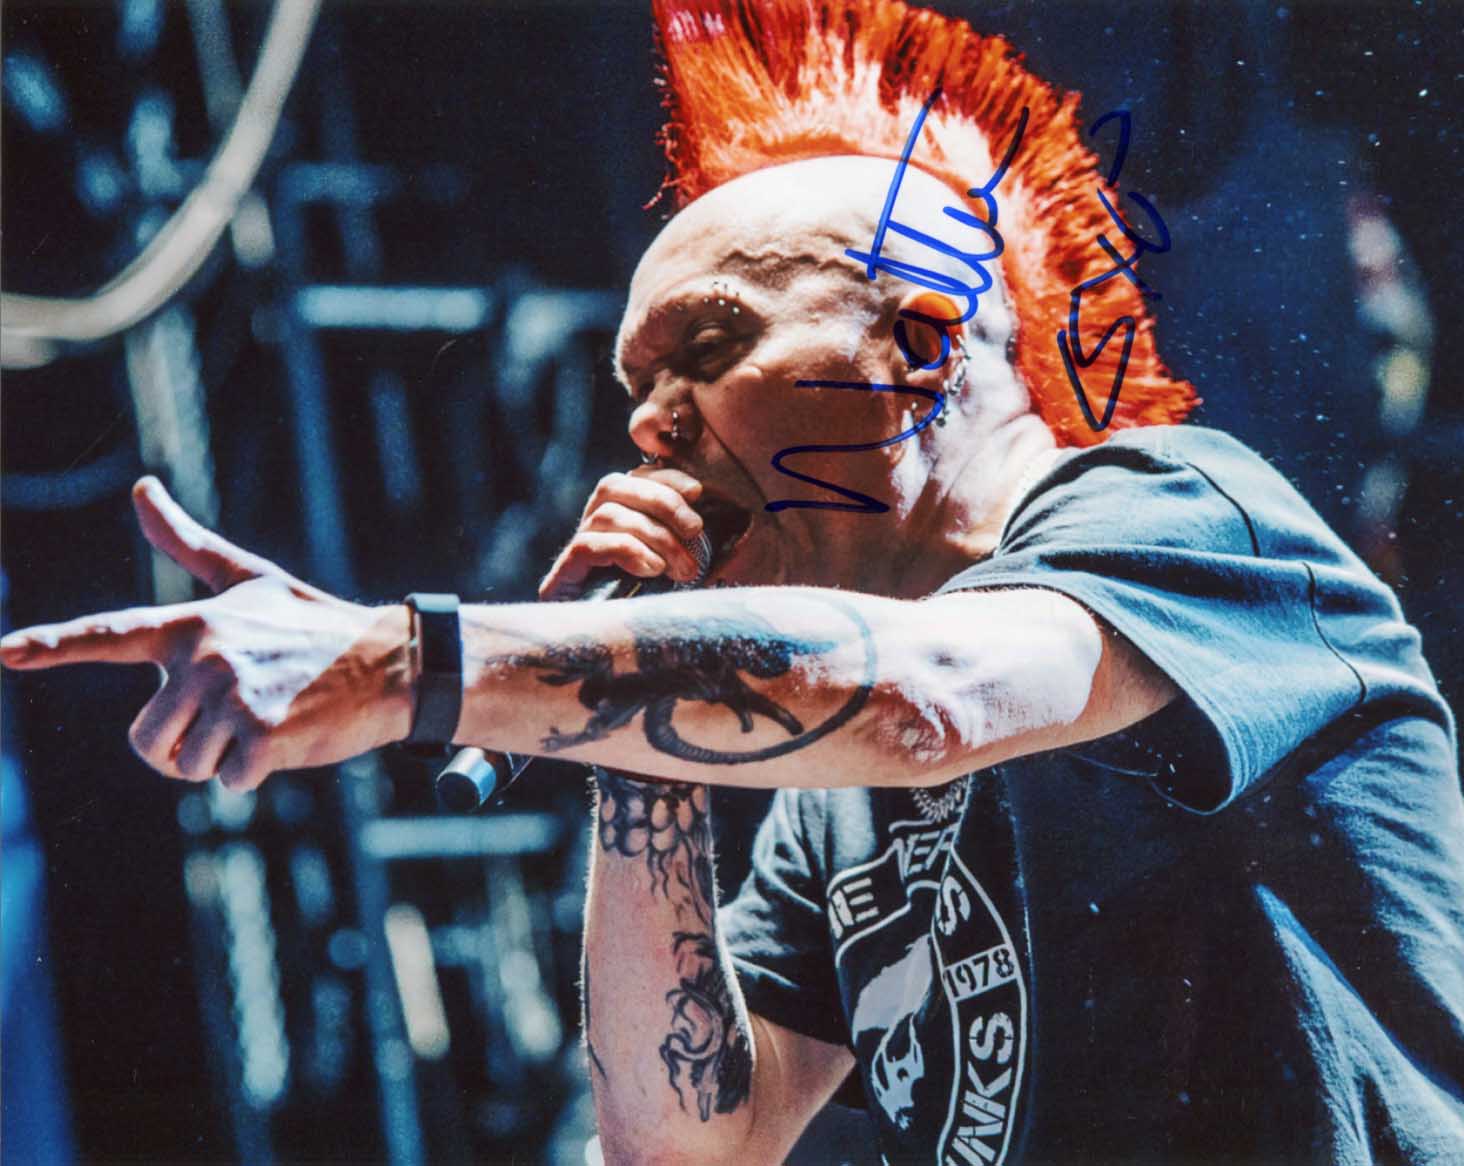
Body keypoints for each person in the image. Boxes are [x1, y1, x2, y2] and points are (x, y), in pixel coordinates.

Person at [3, 0, 1461, 1162]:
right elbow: (685, 1136)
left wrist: (409, 664)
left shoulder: (1188, 514)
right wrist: (636, 753)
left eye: (707, 345)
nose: (650, 424)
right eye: (634, 387)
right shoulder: (837, 807)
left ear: (923, 341)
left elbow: (932, 703)